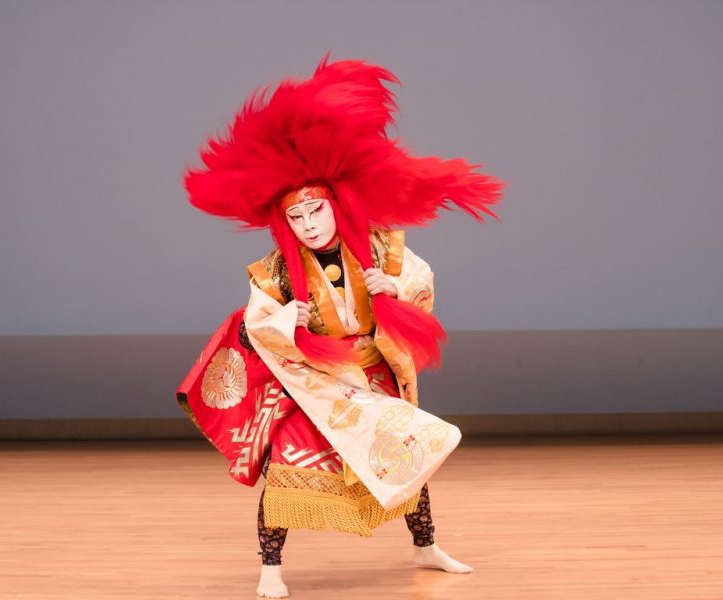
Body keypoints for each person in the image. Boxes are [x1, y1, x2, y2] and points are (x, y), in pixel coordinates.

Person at [175, 56, 505, 598]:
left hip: (372, 374)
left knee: (410, 459)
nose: (307, 225)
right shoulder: (278, 269)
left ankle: (425, 545)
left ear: (334, 205)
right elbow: (257, 320)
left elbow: (420, 278)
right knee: (286, 471)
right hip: (314, 383)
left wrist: (394, 290)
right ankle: (270, 568)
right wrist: (289, 320)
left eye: (315, 213)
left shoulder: (377, 245)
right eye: (296, 219)